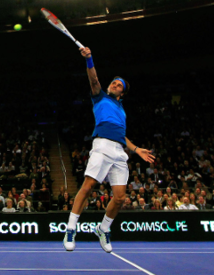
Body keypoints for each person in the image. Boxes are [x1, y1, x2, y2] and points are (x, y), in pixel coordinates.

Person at [63, 46, 155, 254]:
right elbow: (94, 80)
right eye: (113, 82)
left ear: (122, 93)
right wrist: (89, 59)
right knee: (88, 186)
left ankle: (103, 229)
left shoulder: (121, 111)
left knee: (120, 197)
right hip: (102, 146)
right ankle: (70, 229)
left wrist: (136, 148)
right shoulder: (100, 97)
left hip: (120, 152)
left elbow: (121, 136)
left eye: (118, 84)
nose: (114, 84)